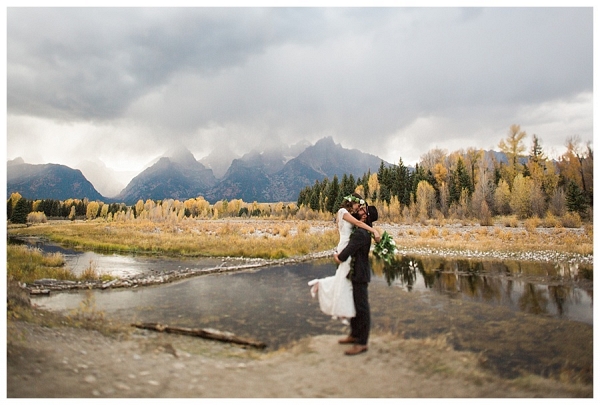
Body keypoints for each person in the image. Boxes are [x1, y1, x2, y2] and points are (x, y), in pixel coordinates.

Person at [308, 193, 380, 322]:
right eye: (358, 204)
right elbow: (358, 223)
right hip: (345, 246)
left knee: (343, 276)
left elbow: (358, 223)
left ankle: (325, 289)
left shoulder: (348, 215)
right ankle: (341, 308)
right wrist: (374, 231)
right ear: (351, 202)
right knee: (345, 278)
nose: (359, 208)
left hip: (347, 245)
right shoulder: (342, 212)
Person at [334, 203, 378, 356]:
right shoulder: (363, 232)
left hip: (359, 274)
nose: (361, 213)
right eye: (360, 210)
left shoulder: (361, 234)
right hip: (358, 272)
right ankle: (354, 334)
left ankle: (361, 342)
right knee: (356, 305)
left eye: (363, 212)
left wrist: (338, 257)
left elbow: (347, 252)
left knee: (361, 308)